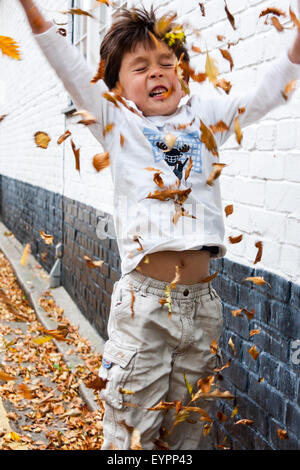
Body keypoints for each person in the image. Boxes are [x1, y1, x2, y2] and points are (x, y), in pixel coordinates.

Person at [18, 0, 300, 450]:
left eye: (166, 62)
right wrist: (33, 13)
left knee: (191, 431)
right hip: (144, 309)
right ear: (115, 85)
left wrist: (294, 51)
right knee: (132, 433)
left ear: (182, 72)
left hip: (204, 307)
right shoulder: (117, 124)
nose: (157, 72)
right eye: (141, 66)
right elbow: (69, 66)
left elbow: (264, 95)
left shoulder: (205, 118)